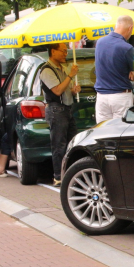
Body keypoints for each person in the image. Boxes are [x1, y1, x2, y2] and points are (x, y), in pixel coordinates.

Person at [40, 43, 81, 187]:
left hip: (67, 109)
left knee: (72, 142)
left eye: (66, 51)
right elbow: (57, 90)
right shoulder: (46, 70)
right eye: (63, 51)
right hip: (56, 110)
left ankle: (71, 173)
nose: (65, 54)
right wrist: (70, 75)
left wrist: (74, 91)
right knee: (59, 144)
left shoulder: (62, 68)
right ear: (53, 52)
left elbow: (65, 89)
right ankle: (58, 176)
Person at [94, 15, 134, 123]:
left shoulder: (99, 43)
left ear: (115, 26)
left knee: (102, 133)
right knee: (121, 132)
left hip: (101, 96)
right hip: (121, 96)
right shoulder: (127, 48)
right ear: (130, 28)